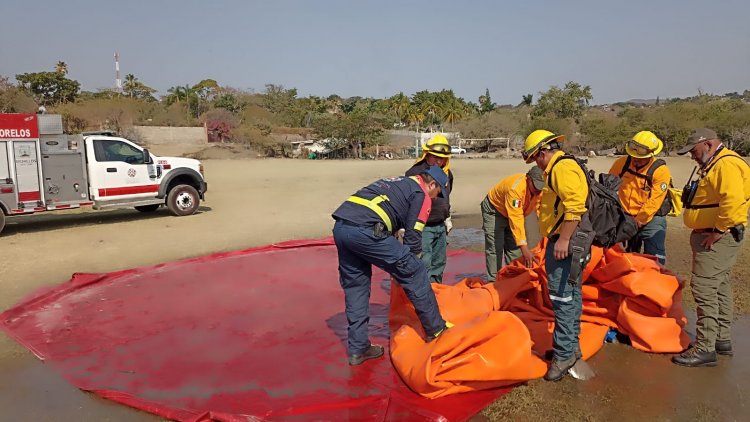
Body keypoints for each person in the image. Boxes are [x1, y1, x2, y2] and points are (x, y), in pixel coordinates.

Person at [331, 165, 452, 365]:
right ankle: (436, 330)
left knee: (356, 287)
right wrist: (408, 267)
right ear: (431, 184)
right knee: (416, 270)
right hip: (366, 230)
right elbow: (414, 237)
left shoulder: (397, 181)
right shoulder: (421, 194)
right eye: (437, 193)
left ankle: (358, 349)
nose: (435, 199)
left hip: (342, 227)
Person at [671, 128, 750, 367]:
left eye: (693, 150)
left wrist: (717, 232)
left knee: (704, 287)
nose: (692, 156)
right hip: (713, 235)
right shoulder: (715, 164)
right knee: (719, 285)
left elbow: (733, 202)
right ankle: (720, 340)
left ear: (708, 144)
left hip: (717, 238)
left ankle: (705, 348)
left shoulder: (726, 165)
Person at [522, 129, 590, 381]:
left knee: (562, 298)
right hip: (569, 241)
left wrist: (562, 239)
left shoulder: (562, 168)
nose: (536, 165)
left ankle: (563, 356)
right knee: (570, 296)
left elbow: (575, 207)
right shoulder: (561, 167)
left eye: (535, 158)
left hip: (567, 242)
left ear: (542, 152)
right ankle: (570, 348)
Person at [608, 131, 672, 264]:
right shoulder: (621, 164)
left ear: (651, 155)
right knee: (625, 256)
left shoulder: (660, 170)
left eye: (640, 158)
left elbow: (655, 201)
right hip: (625, 216)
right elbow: (608, 188)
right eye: (632, 155)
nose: (635, 160)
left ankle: (655, 279)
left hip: (651, 217)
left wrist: (639, 220)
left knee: (655, 257)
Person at [405, 135, 454, 283]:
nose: (439, 161)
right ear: (427, 156)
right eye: (435, 157)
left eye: (442, 158)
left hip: (439, 225)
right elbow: (409, 201)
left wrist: (447, 217)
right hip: (422, 227)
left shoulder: (447, 174)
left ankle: (436, 291)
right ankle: (423, 296)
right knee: (423, 263)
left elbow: (446, 196)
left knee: (439, 263)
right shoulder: (414, 174)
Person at [481, 166, 545, 279]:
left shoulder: (539, 191)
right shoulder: (515, 190)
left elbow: (540, 209)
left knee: (514, 250)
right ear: (528, 179)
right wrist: (525, 248)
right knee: (495, 247)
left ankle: (514, 277)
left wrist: (546, 231)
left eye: (540, 187)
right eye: (535, 186)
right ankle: (494, 281)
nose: (537, 190)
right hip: (494, 210)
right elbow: (516, 219)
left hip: (514, 213)